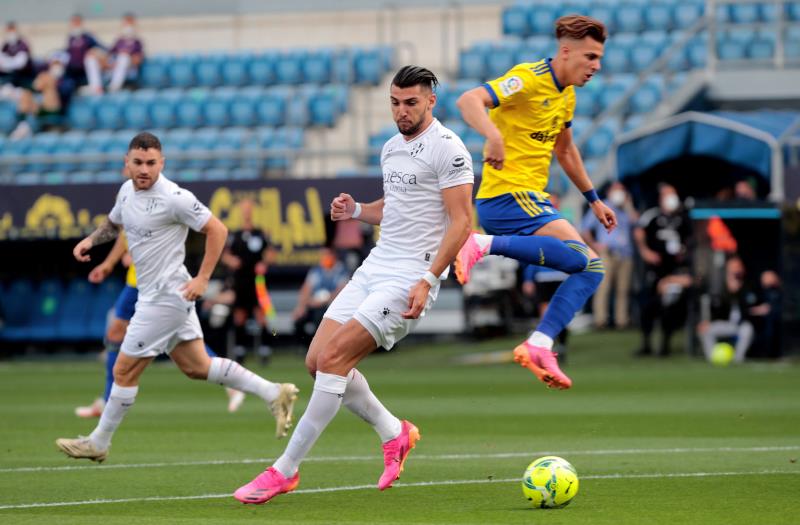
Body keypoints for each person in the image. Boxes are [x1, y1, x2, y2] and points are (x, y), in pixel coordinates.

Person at [232, 65, 474, 505]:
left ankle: (283, 470)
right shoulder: (389, 149)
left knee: (334, 359)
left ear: (431, 101)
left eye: (411, 103)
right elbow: (398, 206)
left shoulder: (449, 150)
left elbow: (462, 221)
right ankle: (393, 431)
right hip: (375, 266)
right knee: (315, 360)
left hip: (409, 276)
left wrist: (427, 278)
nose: (402, 111)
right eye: (396, 103)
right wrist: (358, 209)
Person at [56, 132, 299, 463]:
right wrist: (91, 241)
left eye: (151, 163)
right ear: (126, 163)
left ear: (162, 163)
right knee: (197, 366)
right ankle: (273, 392)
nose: (144, 169)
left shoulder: (174, 197)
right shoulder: (126, 191)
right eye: (138, 162)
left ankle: (99, 442)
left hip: (165, 298)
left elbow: (218, 230)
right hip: (159, 295)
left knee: (124, 371)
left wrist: (203, 278)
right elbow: (114, 224)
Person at [453, 15, 614, 390]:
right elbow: (469, 100)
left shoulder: (567, 95)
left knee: (589, 268)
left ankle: (539, 344)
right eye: (590, 56)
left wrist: (593, 200)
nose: (597, 66)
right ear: (566, 50)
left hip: (530, 201)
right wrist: (492, 135)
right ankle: (480, 244)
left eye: (599, 58)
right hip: (508, 196)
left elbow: (566, 150)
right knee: (587, 263)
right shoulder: (528, 78)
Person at [74, 233, 245, 417]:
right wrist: (110, 263)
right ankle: (233, 383)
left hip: (148, 282)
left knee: (181, 343)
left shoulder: (152, 206)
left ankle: (234, 383)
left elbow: (156, 229)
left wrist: (137, 254)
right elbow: (124, 232)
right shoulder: (126, 207)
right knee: (174, 339)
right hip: (138, 281)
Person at [634, 183, 693, 357]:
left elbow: (690, 240)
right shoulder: (652, 216)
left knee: (670, 307)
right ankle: (646, 344)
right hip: (654, 270)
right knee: (648, 307)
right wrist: (646, 251)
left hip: (674, 271)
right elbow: (639, 232)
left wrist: (684, 252)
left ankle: (665, 345)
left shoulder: (682, 218)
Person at [221, 197, 276, 366]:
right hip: (241, 281)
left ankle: (265, 350)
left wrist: (264, 263)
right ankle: (239, 351)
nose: (246, 212)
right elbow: (225, 255)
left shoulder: (260, 233)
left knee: (262, 315)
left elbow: (271, 253)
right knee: (240, 316)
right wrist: (232, 261)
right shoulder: (234, 235)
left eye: (249, 209)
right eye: (244, 209)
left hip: (258, 281)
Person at [581, 181, 636, 329]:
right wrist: (594, 246)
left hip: (625, 253)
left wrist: (629, 205)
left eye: (621, 190)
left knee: (623, 289)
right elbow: (585, 228)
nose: (619, 192)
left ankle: (621, 320)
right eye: (616, 189)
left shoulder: (625, 208)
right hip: (607, 252)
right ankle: (600, 321)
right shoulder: (601, 205)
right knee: (603, 287)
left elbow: (636, 222)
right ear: (610, 191)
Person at [698, 255, 759, 363]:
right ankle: (713, 358)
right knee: (706, 330)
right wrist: (707, 322)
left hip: (740, 325)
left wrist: (738, 291)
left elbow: (750, 306)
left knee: (747, 329)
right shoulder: (720, 287)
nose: (736, 270)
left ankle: (738, 359)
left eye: (738, 267)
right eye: (733, 267)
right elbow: (716, 308)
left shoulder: (748, 285)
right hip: (724, 323)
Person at [293, 246, 349, 345]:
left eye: (326, 255)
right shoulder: (316, 271)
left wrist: (323, 300)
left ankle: (321, 346)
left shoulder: (342, 271)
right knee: (299, 319)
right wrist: (301, 306)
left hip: (331, 307)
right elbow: (306, 289)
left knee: (319, 317)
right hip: (313, 304)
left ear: (333, 256)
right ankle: (306, 346)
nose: (324, 258)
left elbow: (341, 291)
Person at [63, 14, 105, 95]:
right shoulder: (70, 38)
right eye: (74, 22)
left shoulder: (87, 37)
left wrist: (96, 52)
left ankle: (97, 88)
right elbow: (66, 52)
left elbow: (102, 48)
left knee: (91, 59)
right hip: (72, 71)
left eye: (77, 22)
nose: (76, 25)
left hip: (84, 70)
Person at [102, 13, 144, 92]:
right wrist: (112, 64)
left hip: (129, 69)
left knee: (124, 57)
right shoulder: (119, 41)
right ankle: (100, 87)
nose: (128, 25)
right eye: (126, 23)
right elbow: (108, 56)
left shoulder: (137, 42)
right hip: (114, 68)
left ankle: (114, 86)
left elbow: (138, 60)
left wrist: (128, 57)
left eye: (130, 23)